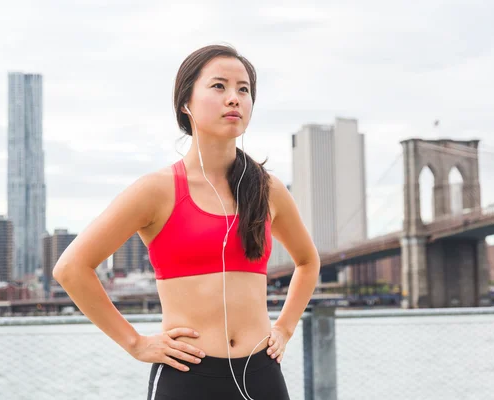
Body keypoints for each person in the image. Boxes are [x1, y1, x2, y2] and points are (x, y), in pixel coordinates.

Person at [53, 43, 321, 400]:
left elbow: (307, 261)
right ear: (185, 103)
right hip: (187, 377)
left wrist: (285, 329)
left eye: (244, 90)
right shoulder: (156, 190)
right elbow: (71, 268)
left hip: (261, 374)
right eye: (219, 86)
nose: (234, 98)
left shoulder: (266, 188)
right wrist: (135, 343)